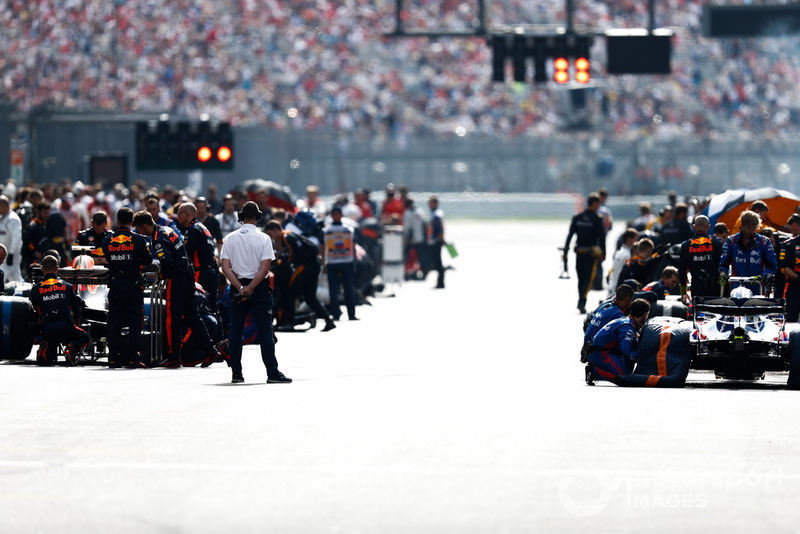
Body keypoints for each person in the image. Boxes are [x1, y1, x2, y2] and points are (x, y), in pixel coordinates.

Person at [133, 211, 223, 368]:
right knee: (193, 316)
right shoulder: (168, 230)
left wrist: (161, 274)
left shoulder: (158, 239)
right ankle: (211, 350)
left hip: (177, 280)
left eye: (139, 229)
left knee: (172, 318)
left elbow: (167, 263)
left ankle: (173, 357)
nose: (140, 233)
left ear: (145, 226)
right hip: (189, 277)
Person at [220, 201, 291, 384]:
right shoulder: (264, 238)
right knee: (265, 331)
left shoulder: (230, 238)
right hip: (259, 288)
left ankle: (236, 374)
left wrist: (240, 287)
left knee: (236, 331)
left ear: (240, 217)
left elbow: (225, 267)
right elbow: (265, 268)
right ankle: (272, 373)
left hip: (237, 288)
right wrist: (251, 287)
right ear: (258, 217)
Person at [100, 207, 153, 368]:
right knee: (135, 323)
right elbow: (148, 260)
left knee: (114, 322)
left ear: (117, 221)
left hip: (115, 285)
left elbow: (107, 257)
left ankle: (113, 358)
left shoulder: (107, 240)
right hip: (133, 286)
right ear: (131, 222)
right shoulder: (138, 240)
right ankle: (132, 358)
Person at [264, 220, 336, 332]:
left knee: (290, 292)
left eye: (270, 234)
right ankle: (328, 319)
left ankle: (290, 322)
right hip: (313, 266)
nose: (270, 237)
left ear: (276, 230)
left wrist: (280, 261)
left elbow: (290, 255)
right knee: (310, 297)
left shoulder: (286, 237)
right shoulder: (290, 235)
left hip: (305, 267)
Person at [29, 254, 90, 366]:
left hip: (47, 328)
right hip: (66, 326)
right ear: (57, 268)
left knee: (50, 357)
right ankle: (71, 347)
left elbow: (35, 309)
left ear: (42, 269)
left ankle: (44, 348)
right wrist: (77, 320)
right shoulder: (67, 286)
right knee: (85, 336)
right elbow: (76, 307)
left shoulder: (36, 288)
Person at [586, 298, 650, 386]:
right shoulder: (627, 327)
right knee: (625, 378)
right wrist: (639, 358)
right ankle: (594, 372)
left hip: (603, 350)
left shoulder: (627, 321)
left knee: (628, 368)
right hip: (600, 353)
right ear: (645, 314)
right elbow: (626, 350)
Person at [176, 202, 220, 320]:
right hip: (211, 272)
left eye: (179, 213)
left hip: (201, 274)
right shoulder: (203, 228)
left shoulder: (192, 229)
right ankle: (218, 338)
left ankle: (204, 338)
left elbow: (187, 255)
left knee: (200, 309)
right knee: (213, 309)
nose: (177, 216)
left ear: (187, 214)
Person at [563, 193, 606, 313]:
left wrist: (566, 249)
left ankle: (581, 300)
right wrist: (604, 253)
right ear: (594, 204)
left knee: (581, 278)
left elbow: (570, 235)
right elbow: (601, 238)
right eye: (598, 204)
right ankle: (582, 300)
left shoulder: (577, 217)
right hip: (591, 253)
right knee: (587, 279)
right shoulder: (597, 219)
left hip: (579, 252)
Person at [719, 210, 778, 295]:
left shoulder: (764, 241)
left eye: (754, 228)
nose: (751, 231)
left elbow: (772, 266)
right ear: (742, 225)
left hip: (758, 287)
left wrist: (762, 276)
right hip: (736, 286)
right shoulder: (731, 241)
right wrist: (723, 274)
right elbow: (724, 264)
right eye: (749, 228)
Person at [582, 283, 635, 362]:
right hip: (597, 351)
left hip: (587, 347)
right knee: (625, 369)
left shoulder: (606, 306)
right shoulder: (618, 314)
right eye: (630, 301)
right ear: (627, 299)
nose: (630, 304)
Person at [678, 214, 724, 304]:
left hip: (697, 286)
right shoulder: (717, 242)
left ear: (694, 227)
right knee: (716, 313)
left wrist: (683, 292)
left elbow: (682, 270)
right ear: (708, 227)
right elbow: (722, 265)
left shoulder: (686, 245)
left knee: (699, 314)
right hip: (715, 286)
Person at [322, 206, 358, 321]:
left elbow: (353, 245)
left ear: (342, 215)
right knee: (333, 290)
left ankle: (351, 314)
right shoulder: (326, 230)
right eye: (335, 213)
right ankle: (336, 314)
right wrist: (323, 263)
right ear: (331, 215)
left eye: (338, 213)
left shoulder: (349, 229)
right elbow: (322, 247)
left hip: (347, 261)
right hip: (332, 262)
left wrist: (355, 261)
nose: (337, 215)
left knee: (348, 289)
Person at [607, 227, 638, 297]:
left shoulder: (619, 252)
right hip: (618, 287)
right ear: (629, 239)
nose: (637, 242)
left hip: (612, 284)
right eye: (636, 239)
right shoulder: (627, 255)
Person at [780, 214, 800, 321]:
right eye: (793, 230)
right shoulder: (788, 245)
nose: (794, 233)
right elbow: (783, 267)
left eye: (796, 229)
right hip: (794, 286)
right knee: (790, 320)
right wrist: (797, 278)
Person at [0, 195, 23, 282]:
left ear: (4, 205)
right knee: (15, 277)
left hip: (9, 255)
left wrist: (11, 254)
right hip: (3, 254)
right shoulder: (3, 218)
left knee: (5, 274)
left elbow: (16, 238)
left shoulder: (12, 219)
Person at [427, 195, 446, 289]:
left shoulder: (436, 214)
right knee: (436, 262)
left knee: (438, 262)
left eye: (430, 202)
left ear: (435, 203)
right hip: (434, 240)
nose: (428, 204)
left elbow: (439, 229)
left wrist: (442, 239)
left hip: (436, 241)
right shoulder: (434, 213)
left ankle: (441, 282)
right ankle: (440, 281)